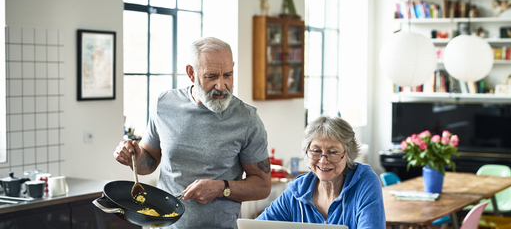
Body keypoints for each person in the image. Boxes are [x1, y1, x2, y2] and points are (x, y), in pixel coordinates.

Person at [114, 37, 272, 229]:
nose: (221, 86)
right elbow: (148, 164)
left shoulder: (247, 119)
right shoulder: (164, 104)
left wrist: (221, 188)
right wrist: (135, 157)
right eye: (211, 76)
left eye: (228, 75)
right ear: (191, 73)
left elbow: (262, 186)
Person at [257, 115, 385, 229]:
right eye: (316, 151)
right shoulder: (297, 191)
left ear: (349, 153)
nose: (323, 161)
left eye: (333, 152)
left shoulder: (365, 182)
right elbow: (258, 226)